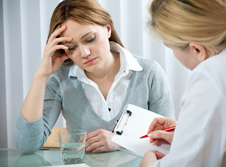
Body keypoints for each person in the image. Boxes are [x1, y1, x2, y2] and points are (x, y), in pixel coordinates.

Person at [14, 0, 174, 154]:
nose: (84, 53)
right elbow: (27, 145)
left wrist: (119, 141)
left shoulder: (149, 72)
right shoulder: (60, 79)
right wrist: (42, 75)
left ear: (108, 29)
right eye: (72, 47)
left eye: (90, 39)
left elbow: (166, 142)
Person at [139, 0, 226, 166]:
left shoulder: (211, 76)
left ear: (197, 50)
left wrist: (148, 163)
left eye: (171, 48)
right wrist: (188, 135)